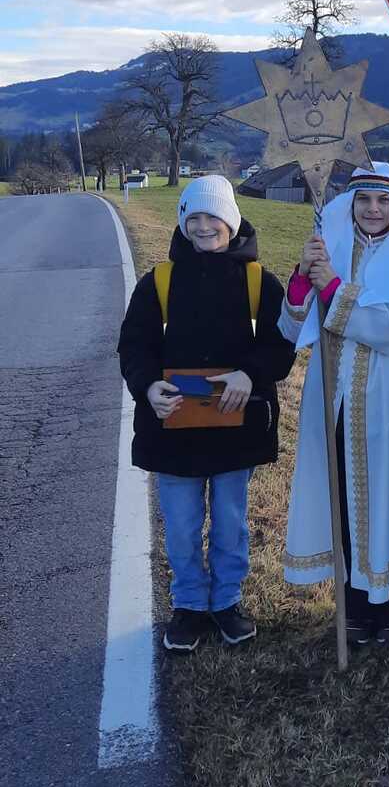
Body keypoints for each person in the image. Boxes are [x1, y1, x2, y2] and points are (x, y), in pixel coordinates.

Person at [118, 174, 296, 652]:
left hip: (235, 428)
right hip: (174, 429)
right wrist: (147, 386)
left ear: (231, 221)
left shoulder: (260, 283)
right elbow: (134, 346)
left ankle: (226, 602)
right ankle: (190, 605)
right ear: (182, 223)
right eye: (193, 217)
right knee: (181, 525)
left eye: (212, 217)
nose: (202, 226)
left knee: (230, 521)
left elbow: (282, 345)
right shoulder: (158, 282)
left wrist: (250, 375)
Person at [280, 163, 389, 645]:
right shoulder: (329, 249)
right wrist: (303, 280)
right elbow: (292, 328)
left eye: (383, 200)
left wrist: (334, 289)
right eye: (364, 199)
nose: (373, 209)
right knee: (343, 495)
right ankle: (351, 603)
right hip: (335, 399)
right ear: (349, 204)